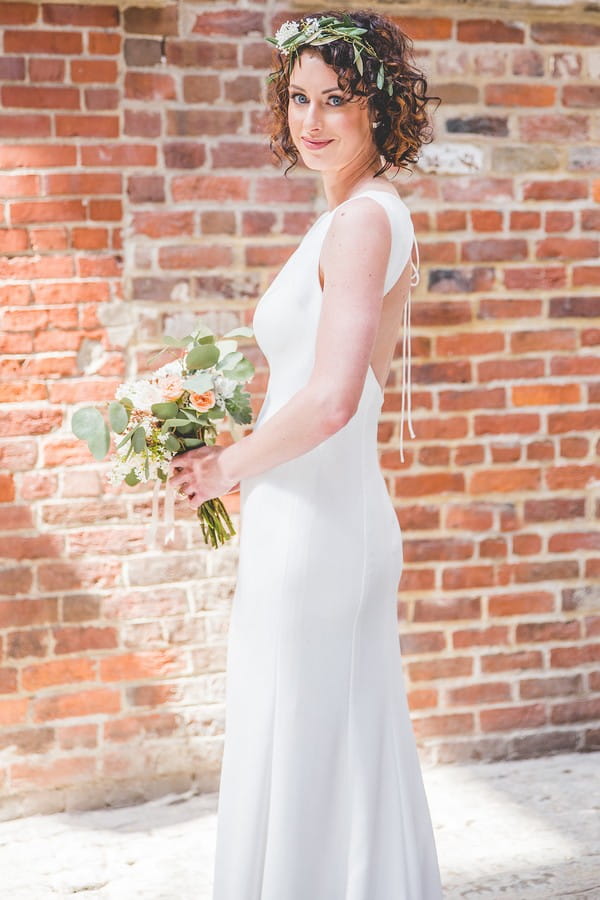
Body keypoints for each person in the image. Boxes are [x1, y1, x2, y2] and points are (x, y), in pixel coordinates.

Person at [169, 8, 443, 898]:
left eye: (338, 98)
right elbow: (314, 389)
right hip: (307, 516)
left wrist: (226, 466)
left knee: (313, 742)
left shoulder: (363, 222)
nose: (312, 119)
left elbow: (332, 400)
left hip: (324, 531)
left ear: (379, 108)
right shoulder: (350, 218)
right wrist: (250, 470)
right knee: (318, 743)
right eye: (298, 97)